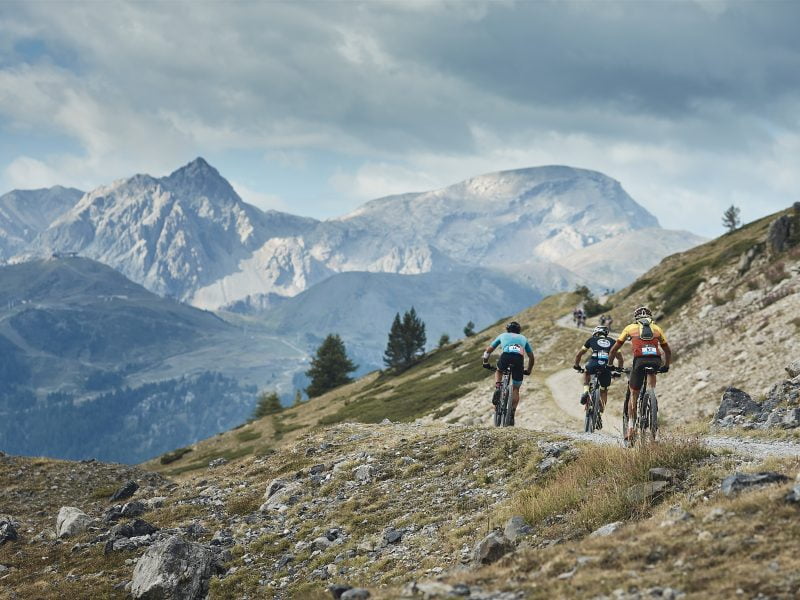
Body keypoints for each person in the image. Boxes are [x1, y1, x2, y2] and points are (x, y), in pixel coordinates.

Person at [608, 306, 671, 443]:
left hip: (639, 361)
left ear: (636, 318)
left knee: (633, 393)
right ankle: (651, 397)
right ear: (650, 317)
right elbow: (667, 350)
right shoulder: (657, 328)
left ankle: (631, 428)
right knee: (651, 380)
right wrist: (666, 366)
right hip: (655, 360)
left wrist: (610, 364)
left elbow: (614, 349)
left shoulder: (629, 328)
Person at [482, 321, 535, 426]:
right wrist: (528, 370)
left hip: (506, 356)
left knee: (499, 370)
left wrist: (485, 362)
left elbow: (488, 350)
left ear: (507, 329)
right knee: (516, 389)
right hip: (518, 360)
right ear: (519, 331)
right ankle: (512, 413)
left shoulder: (503, 335)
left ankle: (498, 387)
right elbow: (531, 357)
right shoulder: (523, 338)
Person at [572, 325, 623, 429]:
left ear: (595, 333)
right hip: (606, 366)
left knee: (586, 372)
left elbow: (579, 354)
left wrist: (577, 366)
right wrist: (618, 370)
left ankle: (586, 390)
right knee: (604, 390)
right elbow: (620, 359)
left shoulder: (591, 339)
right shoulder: (613, 341)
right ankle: (599, 411)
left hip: (593, 363)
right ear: (606, 334)